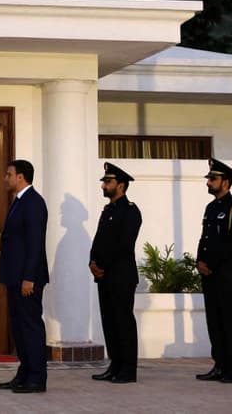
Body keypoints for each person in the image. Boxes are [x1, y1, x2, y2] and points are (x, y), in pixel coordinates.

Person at [195, 158, 232, 384]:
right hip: (209, 275)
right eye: (209, 178)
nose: (208, 182)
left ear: (225, 182)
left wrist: (211, 264)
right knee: (214, 322)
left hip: (227, 275)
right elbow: (205, 240)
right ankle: (219, 365)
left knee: (230, 322)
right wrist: (199, 261)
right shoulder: (211, 208)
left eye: (213, 179)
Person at [0, 159, 49, 394]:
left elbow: (35, 243)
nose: (5, 178)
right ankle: (24, 373)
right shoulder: (19, 201)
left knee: (30, 327)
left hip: (27, 279)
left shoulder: (33, 202)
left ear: (20, 177)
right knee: (18, 327)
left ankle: (36, 378)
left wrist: (29, 277)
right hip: (15, 276)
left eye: (9, 174)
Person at [89, 162, 143, 385]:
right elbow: (99, 240)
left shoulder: (130, 211)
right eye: (104, 182)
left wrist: (102, 265)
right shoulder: (108, 210)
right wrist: (92, 261)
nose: (103, 186)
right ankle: (115, 364)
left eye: (108, 182)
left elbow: (124, 245)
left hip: (121, 276)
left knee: (123, 322)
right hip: (104, 276)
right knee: (110, 322)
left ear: (121, 185)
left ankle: (128, 369)